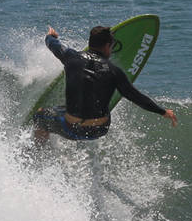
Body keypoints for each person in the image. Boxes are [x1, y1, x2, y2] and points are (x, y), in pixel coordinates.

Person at [32, 25, 178, 144]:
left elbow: (53, 45)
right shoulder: (115, 72)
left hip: (71, 129)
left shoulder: (70, 57)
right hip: (99, 130)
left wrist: (50, 36)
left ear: (90, 43)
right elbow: (136, 97)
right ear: (108, 46)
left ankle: (39, 155)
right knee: (100, 93)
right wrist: (163, 111)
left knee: (40, 115)